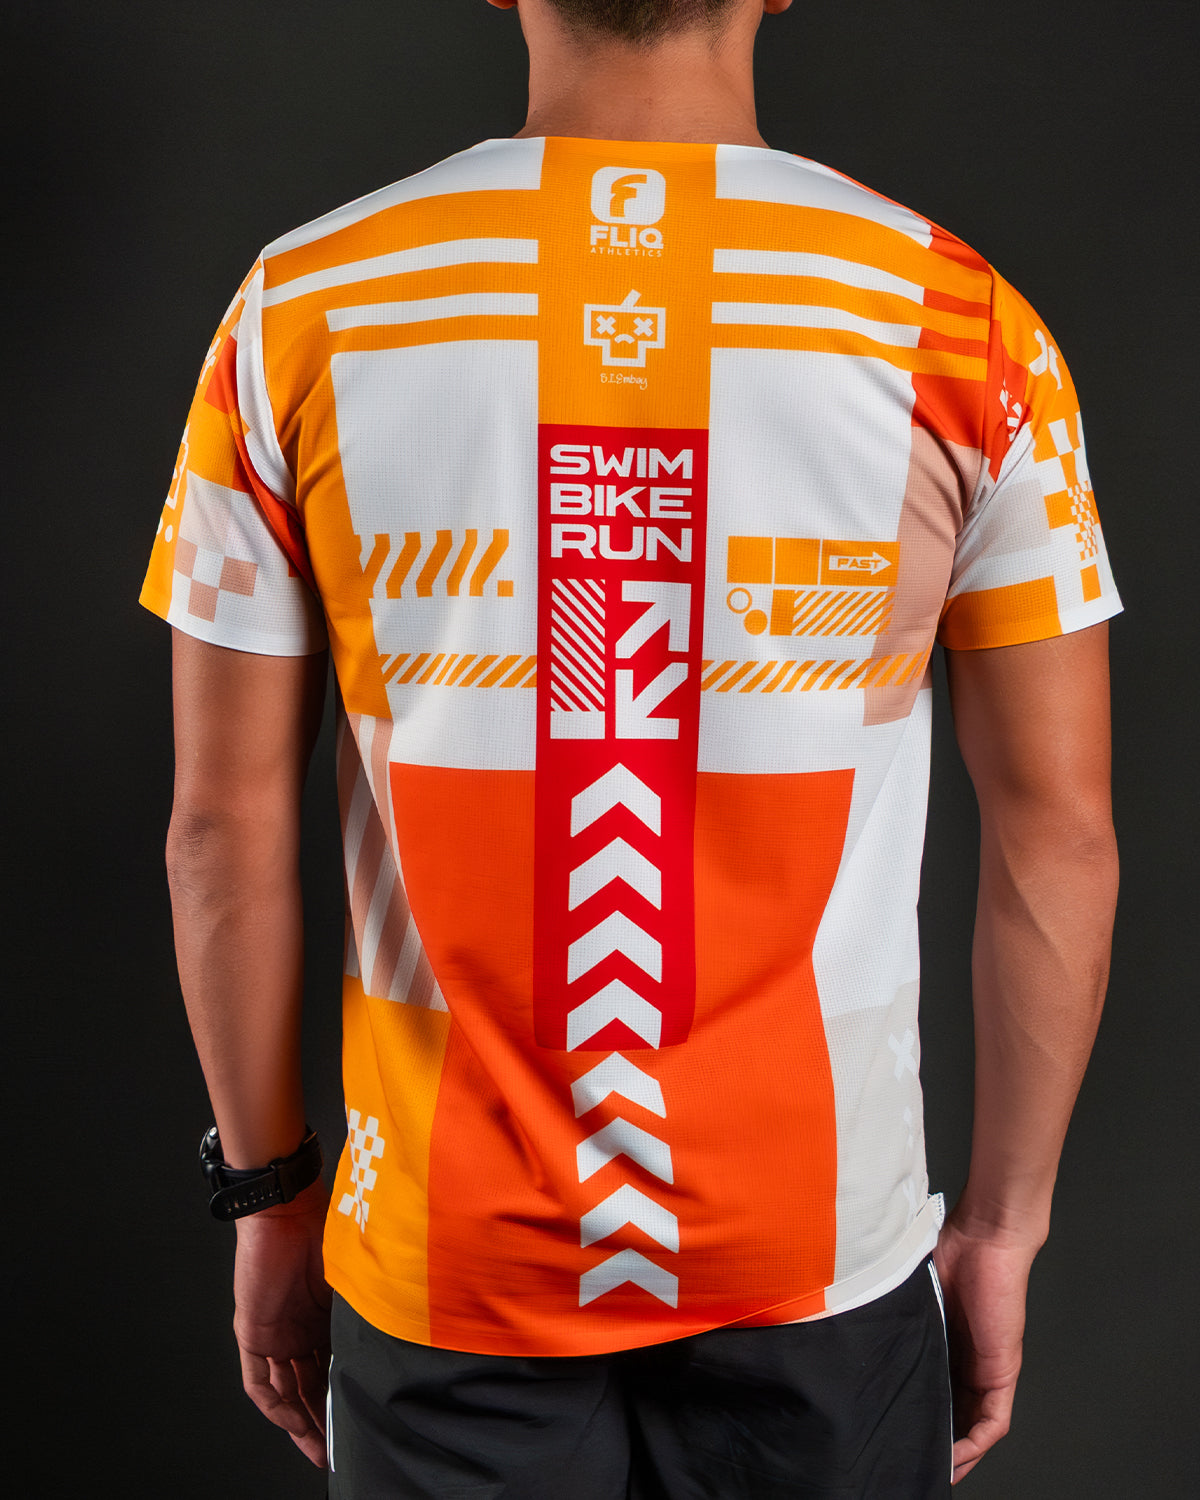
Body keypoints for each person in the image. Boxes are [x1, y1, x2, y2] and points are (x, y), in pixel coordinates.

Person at [142, 0, 1120, 1493]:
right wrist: (1000, 1228)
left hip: (445, 1256)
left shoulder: (304, 309)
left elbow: (220, 828)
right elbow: (1060, 831)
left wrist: (272, 1198)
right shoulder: (962, 325)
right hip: (820, 1251)